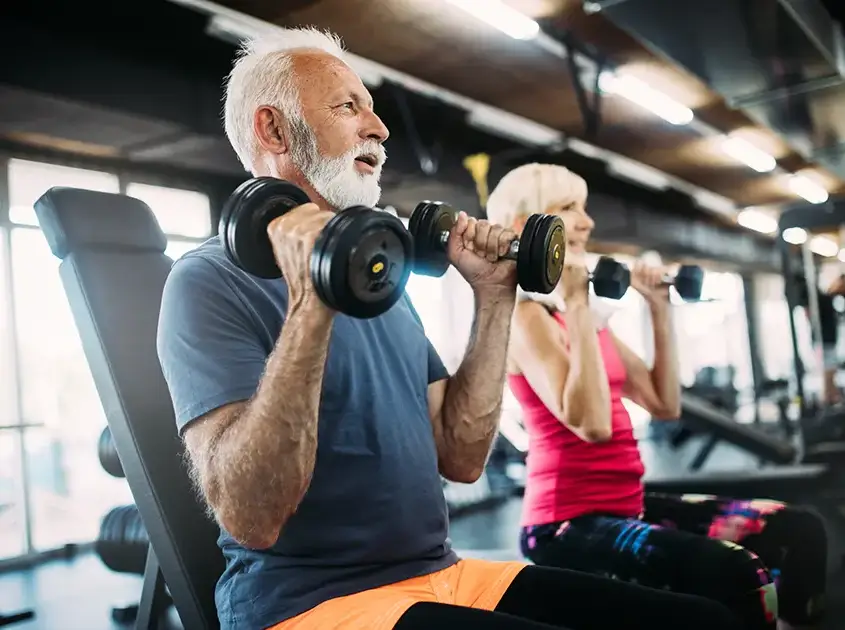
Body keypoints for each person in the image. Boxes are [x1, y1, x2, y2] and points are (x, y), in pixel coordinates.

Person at [156, 28, 745, 630]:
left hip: (441, 575)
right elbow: (251, 516)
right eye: (348, 106)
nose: (379, 129)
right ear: (275, 130)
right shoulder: (205, 282)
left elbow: (460, 458)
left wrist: (493, 298)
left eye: (374, 108)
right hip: (309, 607)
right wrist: (312, 303)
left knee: (703, 622)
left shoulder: (378, 281)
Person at [491, 163, 830, 630]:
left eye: (584, 208)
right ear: (524, 227)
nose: (588, 222)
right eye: (569, 209)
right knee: (738, 572)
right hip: (564, 526)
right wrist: (577, 302)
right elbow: (591, 423)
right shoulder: (527, 319)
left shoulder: (584, 320)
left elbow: (663, 403)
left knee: (798, 528)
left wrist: (658, 308)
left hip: (628, 502)